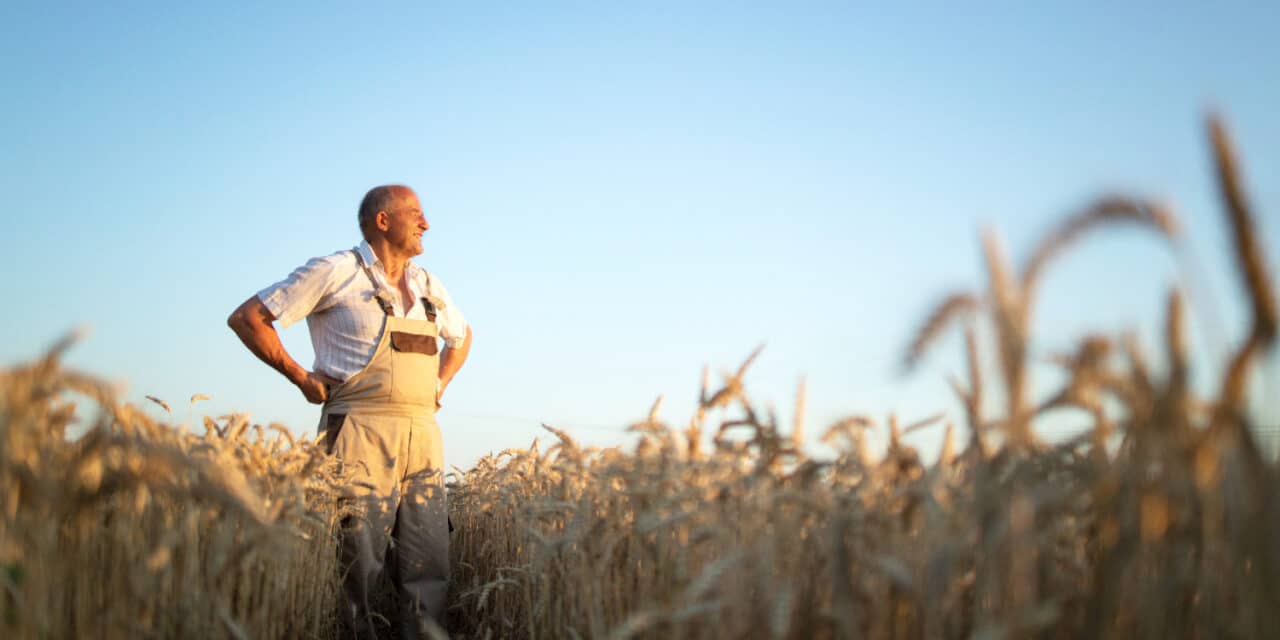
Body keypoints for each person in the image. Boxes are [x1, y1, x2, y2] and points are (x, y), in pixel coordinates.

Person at [226, 184, 472, 638]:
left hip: (424, 432)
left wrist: (438, 385)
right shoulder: (336, 271)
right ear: (383, 220)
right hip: (358, 429)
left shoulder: (427, 284)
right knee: (354, 560)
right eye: (416, 213)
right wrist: (301, 377)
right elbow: (248, 318)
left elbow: (462, 337)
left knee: (429, 563)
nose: (426, 224)